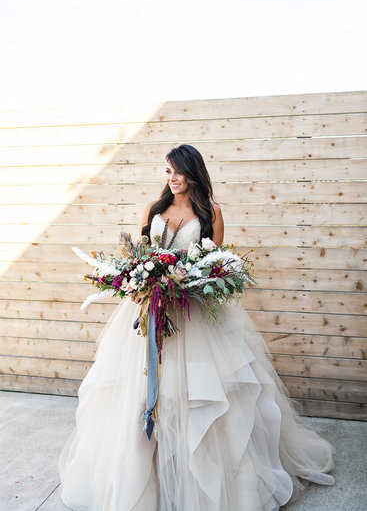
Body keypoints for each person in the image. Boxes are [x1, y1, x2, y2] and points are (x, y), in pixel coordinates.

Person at [58, 144, 335, 511]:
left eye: (178, 171)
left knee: (195, 395)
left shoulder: (211, 213)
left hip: (192, 317)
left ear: (192, 172)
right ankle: (144, 478)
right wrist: (142, 282)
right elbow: (138, 255)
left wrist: (181, 285)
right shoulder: (153, 210)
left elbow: (212, 265)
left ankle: (201, 478)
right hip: (146, 311)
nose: (172, 179)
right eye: (168, 172)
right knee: (139, 392)